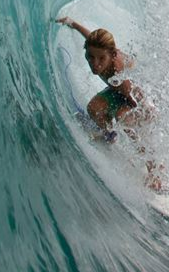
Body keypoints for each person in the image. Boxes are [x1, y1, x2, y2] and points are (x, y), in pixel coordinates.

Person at [56, 16, 162, 189]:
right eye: (90, 57)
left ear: (112, 55)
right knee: (93, 108)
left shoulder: (117, 72)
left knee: (124, 119)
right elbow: (90, 37)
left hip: (138, 94)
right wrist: (73, 23)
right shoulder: (99, 50)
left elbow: (135, 95)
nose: (94, 64)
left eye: (100, 59)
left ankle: (155, 170)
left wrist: (146, 113)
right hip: (118, 90)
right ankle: (109, 135)